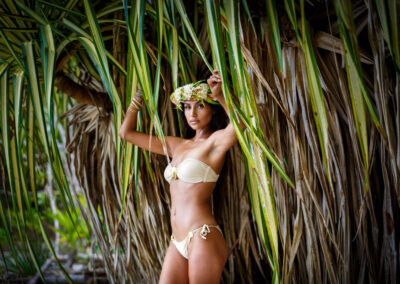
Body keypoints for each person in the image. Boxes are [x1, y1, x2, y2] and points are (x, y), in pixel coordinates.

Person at [118, 70, 243, 283]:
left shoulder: (214, 143)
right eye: (187, 107)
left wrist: (220, 95)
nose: (192, 113)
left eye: (200, 106)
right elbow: (125, 133)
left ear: (212, 110)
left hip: (202, 236)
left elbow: (240, 125)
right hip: (177, 240)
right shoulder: (177, 145)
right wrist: (139, 95)